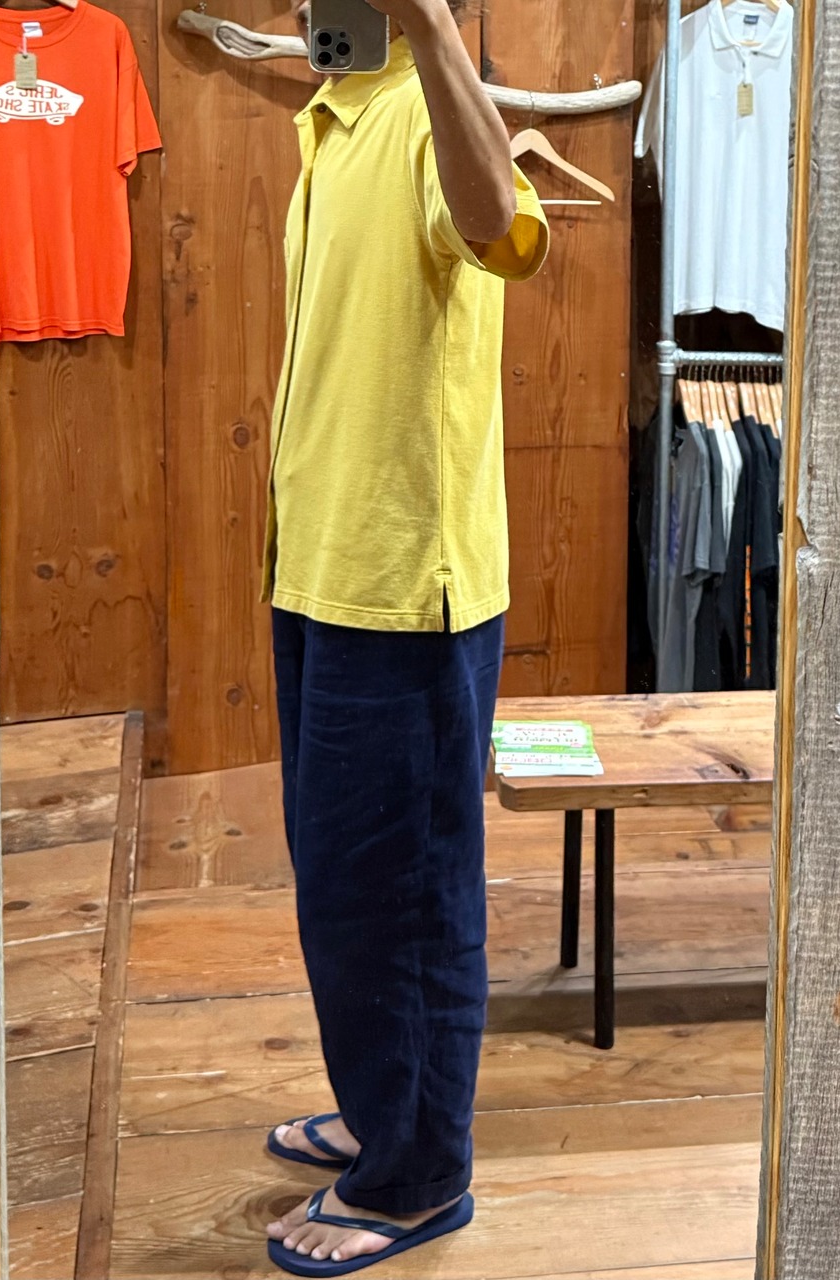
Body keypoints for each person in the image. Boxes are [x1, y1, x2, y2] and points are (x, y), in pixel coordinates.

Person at [261, 0, 549, 1273]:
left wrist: (434, 28)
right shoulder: (333, 114)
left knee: (406, 890)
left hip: (404, 581)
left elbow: (502, 234)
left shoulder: (436, 113)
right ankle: (387, 1103)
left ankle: (418, 1172)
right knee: (342, 878)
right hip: (321, 566)